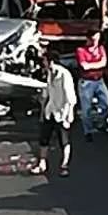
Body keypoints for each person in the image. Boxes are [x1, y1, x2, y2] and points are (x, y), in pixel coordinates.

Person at [34, 47, 76, 176]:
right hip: (51, 110)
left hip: (62, 112)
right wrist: (43, 110)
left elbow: (70, 97)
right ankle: (42, 163)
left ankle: (64, 165)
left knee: (63, 140)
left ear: (51, 61)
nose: (43, 63)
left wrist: (68, 115)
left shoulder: (64, 74)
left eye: (45, 61)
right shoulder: (49, 74)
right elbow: (47, 94)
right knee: (44, 137)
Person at [75, 28, 108, 139]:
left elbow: (104, 63)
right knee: (86, 109)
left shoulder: (101, 48)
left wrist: (92, 65)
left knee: (107, 105)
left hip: (99, 80)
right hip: (86, 82)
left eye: (97, 38)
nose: (95, 40)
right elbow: (84, 66)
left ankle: (100, 122)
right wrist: (97, 64)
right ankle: (88, 131)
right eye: (93, 38)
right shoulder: (81, 50)